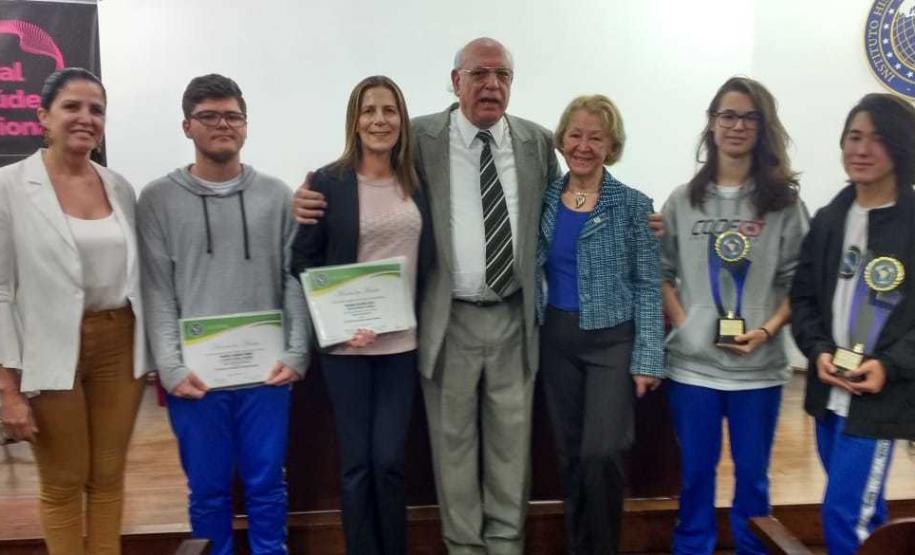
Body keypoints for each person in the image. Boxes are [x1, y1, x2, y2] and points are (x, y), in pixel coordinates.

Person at [297, 37, 559, 552]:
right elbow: (357, 169)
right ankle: (463, 547)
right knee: (453, 449)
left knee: (513, 448)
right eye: (479, 74)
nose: (491, 85)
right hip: (448, 319)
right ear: (455, 80)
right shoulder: (420, 138)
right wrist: (307, 195)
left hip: (513, 318)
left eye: (502, 75)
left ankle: (505, 545)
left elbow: (571, 199)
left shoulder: (537, 143)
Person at [137, 74, 309, 555]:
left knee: (267, 486)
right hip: (196, 379)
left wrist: (297, 352)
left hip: (267, 375)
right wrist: (170, 367)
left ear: (246, 126)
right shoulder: (157, 200)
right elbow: (157, 291)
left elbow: (291, 279)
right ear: (187, 125)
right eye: (209, 116)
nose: (222, 125)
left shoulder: (276, 196)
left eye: (232, 116)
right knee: (208, 491)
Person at [0, 68, 148, 555]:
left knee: (107, 479)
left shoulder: (119, 186)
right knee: (63, 483)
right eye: (72, 107)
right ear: (43, 116)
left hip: (118, 343)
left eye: (96, 109)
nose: (86, 118)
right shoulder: (9, 187)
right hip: (49, 349)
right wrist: (7, 388)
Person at [660, 76, 808, 555]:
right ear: (712, 123)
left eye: (748, 116)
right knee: (695, 478)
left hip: (759, 374)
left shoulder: (784, 204)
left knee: (753, 481)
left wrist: (766, 330)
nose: (737, 125)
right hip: (693, 370)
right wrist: (685, 323)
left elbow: (798, 283)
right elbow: (660, 272)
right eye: (728, 115)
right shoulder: (684, 200)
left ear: (762, 127)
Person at [289, 75, 434, 555]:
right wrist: (337, 322)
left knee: (389, 460)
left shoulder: (419, 181)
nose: (379, 120)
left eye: (389, 110)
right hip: (345, 349)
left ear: (401, 119)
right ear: (354, 120)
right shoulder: (328, 182)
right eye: (369, 110)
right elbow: (303, 261)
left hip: (401, 346)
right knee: (356, 464)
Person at [536, 94, 663, 554]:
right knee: (569, 457)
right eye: (575, 134)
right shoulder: (545, 198)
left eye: (596, 137)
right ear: (562, 139)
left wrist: (648, 357)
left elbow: (649, 284)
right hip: (557, 341)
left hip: (612, 344)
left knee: (602, 453)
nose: (583, 145)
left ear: (611, 146)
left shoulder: (633, 205)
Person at [790, 93, 915, 555]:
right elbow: (803, 299)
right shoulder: (828, 220)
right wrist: (818, 350)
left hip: (880, 398)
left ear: (902, 147)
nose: (861, 149)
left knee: (843, 514)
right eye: (854, 137)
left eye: (877, 139)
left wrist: (890, 366)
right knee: (865, 510)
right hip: (829, 392)